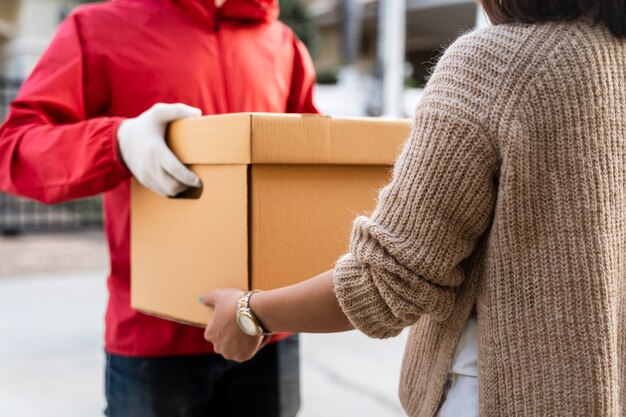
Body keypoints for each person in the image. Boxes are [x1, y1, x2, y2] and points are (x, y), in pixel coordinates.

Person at [201, 1, 626, 416]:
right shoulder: (612, 56)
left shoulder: (497, 64)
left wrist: (249, 312)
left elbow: (387, 282)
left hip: (495, 395)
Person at [0, 0, 317, 416]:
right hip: (154, 343)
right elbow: (17, 151)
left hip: (267, 329)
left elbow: (309, 167)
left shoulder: (283, 44)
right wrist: (117, 141)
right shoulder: (97, 29)